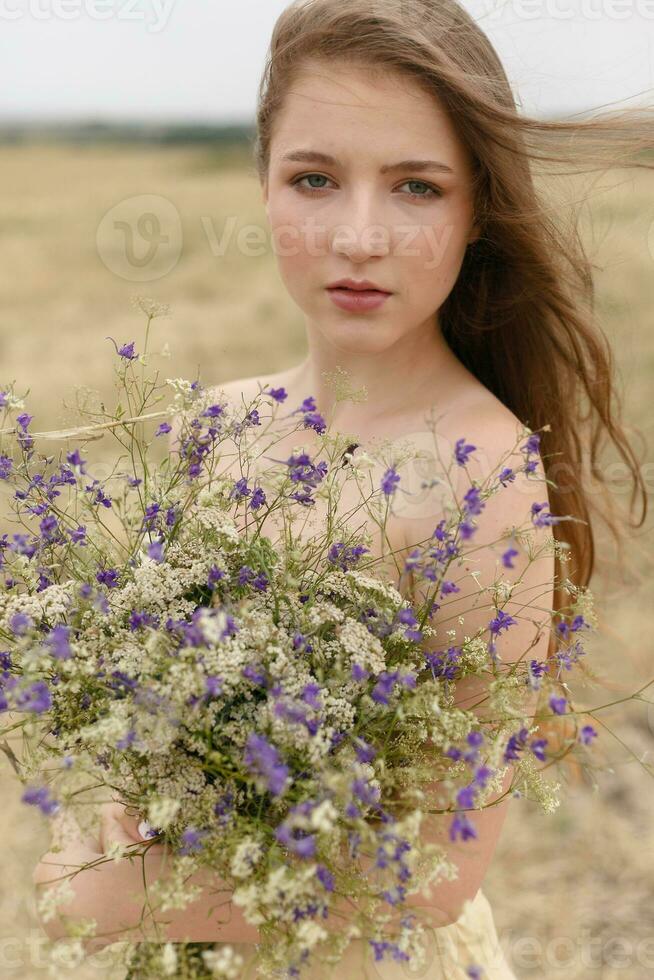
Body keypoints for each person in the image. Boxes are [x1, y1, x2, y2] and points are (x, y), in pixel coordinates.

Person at [33, 1, 650, 977]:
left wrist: (124, 891)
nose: (360, 236)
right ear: (264, 184)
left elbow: (441, 864)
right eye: (315, 179)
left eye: (417, 187)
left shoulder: (486, 477)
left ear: (477, 207)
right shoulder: (211, 425)